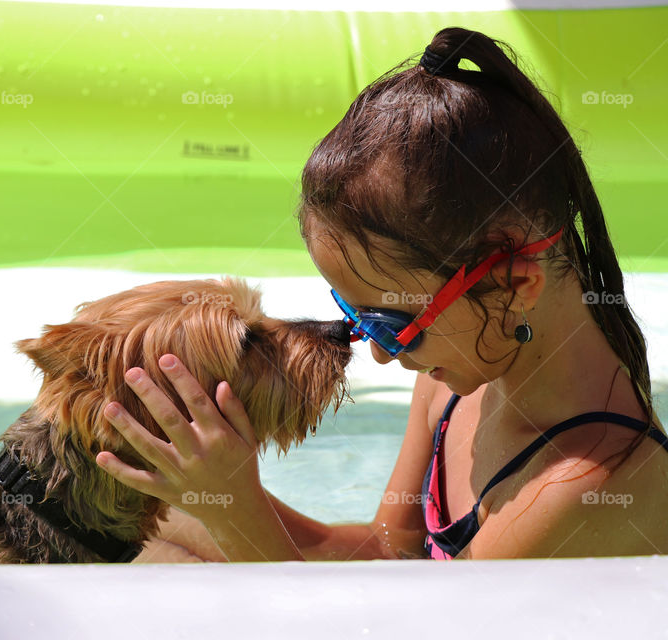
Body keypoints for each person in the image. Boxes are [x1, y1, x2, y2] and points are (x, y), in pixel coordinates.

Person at [94, 26, 668, 561]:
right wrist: (201, 496)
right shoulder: (454, 379)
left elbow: (383, 628)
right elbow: (389, 554)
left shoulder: (588, 481)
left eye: (393, 323)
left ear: (514, 282)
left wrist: (238, 513)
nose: (377, 352)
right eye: (355, 316)